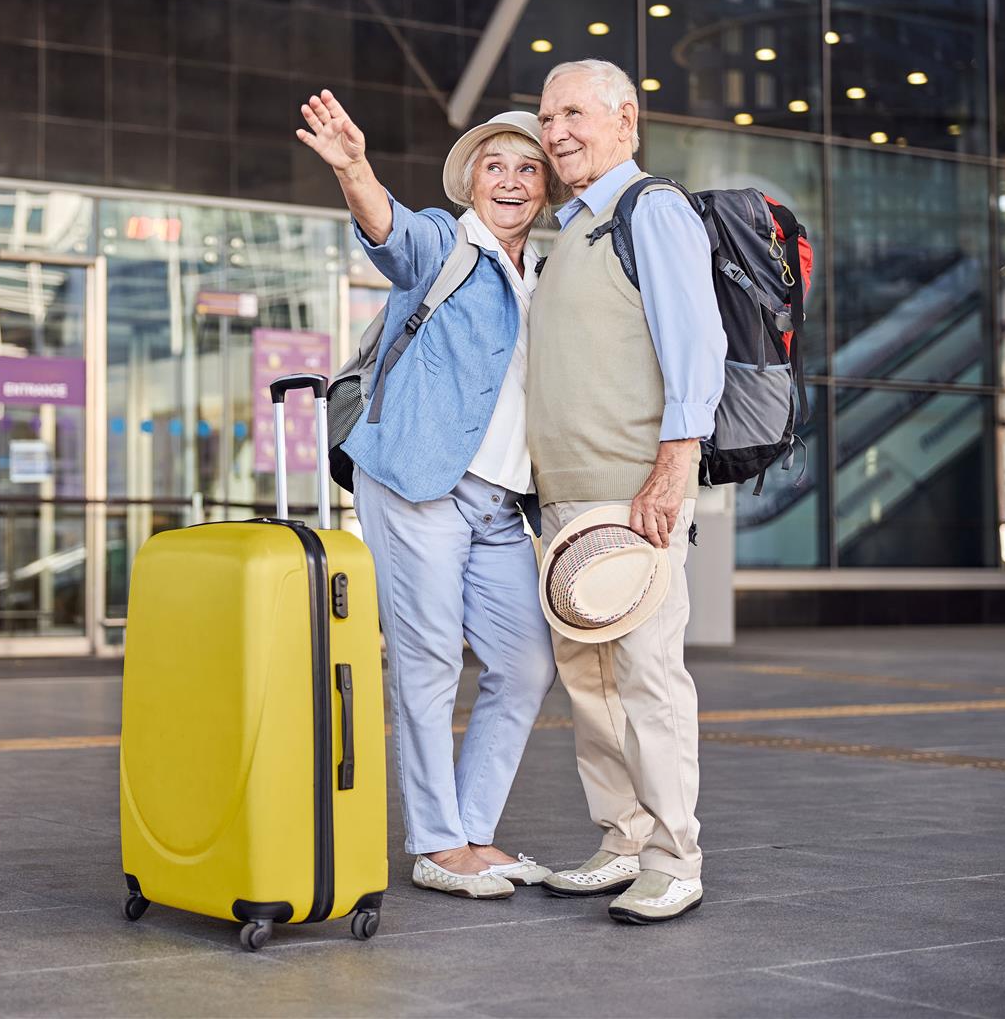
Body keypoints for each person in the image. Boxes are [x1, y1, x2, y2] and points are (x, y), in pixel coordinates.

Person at [296, 89, 569, 900]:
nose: (512, 181)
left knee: (524, 663)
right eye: (496, 166)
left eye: (529, 168)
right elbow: (387, 226)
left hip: (498, 502)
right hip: (416, 481)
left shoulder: (545, 278)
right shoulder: (444, 246)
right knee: (425, 659)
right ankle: (436, 842)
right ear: (471, 181)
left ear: (546, 188)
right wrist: (354, 167)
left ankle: (473, 830)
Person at [526, 59, 727, 924]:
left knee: (646, 674)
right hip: (566, 499)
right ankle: (620, 838)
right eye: (545, 116)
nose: (555, 130)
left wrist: (673, 465)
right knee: (590, 681)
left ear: (624, 118)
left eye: (573, 111)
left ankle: (674, 855)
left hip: (631, 493)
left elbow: (696, 343)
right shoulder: (569, 227)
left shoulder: (652, 210)